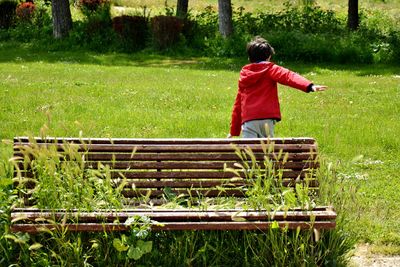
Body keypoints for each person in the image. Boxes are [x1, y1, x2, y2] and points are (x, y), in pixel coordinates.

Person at [228, 36, 327, 138]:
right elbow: (288, 76)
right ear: (269, 57)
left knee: (249, 151)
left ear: (249, 58)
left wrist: (233, 131)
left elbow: (238, 104)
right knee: (267, 150)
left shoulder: (245, 75)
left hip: (249, 120)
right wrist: (309, 86)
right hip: (267, 118)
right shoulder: (270, 69)